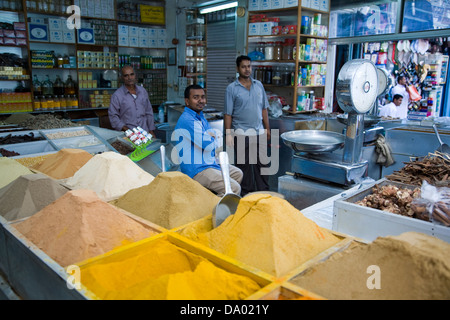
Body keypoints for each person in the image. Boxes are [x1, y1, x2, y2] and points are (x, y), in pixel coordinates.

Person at [174, 84, 243, 197]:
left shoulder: (200, 116)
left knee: (237, 174)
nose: (201, 100)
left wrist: (210, 137)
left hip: (209, 162)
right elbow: (209, 145)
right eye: (196, 97)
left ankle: (217, 200)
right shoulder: (187, 119)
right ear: (187, 101)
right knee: (234, 188)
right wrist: (211, 137)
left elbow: (213, 139)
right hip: (197, 169)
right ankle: (213, 212)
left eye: (203, 97)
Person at [224, 55, 270, 196]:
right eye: (243, 66)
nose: (247, 69)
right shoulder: (232, 88)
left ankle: (263, 193)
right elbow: (228, 114)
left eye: (249, 66)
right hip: (241, 133)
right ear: (238, 68)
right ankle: (246, 194)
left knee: (263, 164)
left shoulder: (259, 85)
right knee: (244, 166)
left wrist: (267, 129)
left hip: (259, 132)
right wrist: (229, 134)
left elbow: (264, 109)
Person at [108, 65, 156, 137]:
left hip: (145, 134)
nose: (129, 78)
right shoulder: (117, 95)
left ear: (135, 75)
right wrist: (127, 130)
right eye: (126, 75)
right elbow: (113, 117)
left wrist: (151, 130)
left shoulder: (142, 91)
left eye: (131, 74)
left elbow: (148, 112)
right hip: (128, 136)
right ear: (122, 78)